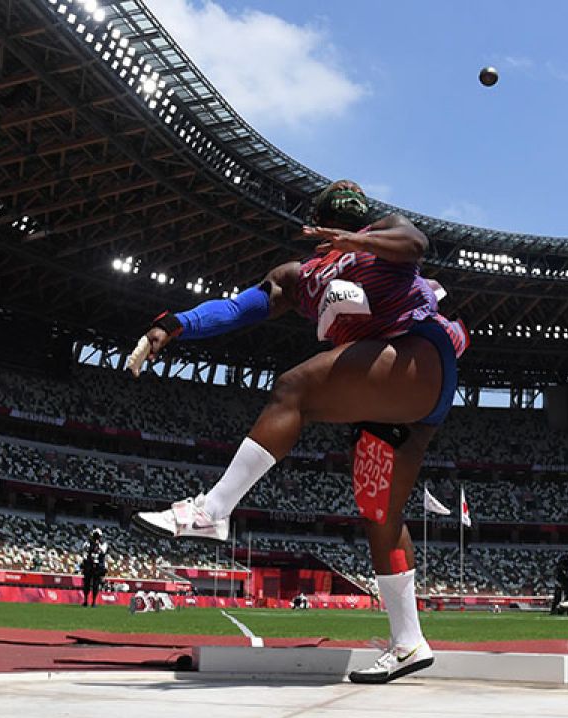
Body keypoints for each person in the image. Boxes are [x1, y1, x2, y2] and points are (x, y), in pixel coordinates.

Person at [127, 180, 468, 684]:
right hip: (392, 396)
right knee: (382, 515)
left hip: (416, 354)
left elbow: (416, 246)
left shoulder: (386, 234)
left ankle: (210, 510)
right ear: (318, 227)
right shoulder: (301, 275)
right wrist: (175, 324)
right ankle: (408, 642)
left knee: (293, 389)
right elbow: (240, 307)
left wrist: (362, 243)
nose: (348, 225)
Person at [80, 528, 108, 607]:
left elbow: (103, 551)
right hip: (89, 565)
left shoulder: (103, 544)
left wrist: (97, 544)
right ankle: (85, 600)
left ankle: (94, 601)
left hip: (98, 566)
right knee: (87, 584)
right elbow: (84, 550)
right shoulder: (88, 543)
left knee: (96, 584)